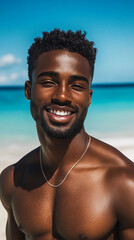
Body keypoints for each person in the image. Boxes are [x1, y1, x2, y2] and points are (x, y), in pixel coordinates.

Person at [0, 29, 134, 240]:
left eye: (77, 85)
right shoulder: (12, 181)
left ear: (88, 97)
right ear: (28, 90)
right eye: (48, 82)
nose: (62, 96)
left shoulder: (124, 183)